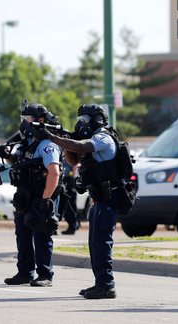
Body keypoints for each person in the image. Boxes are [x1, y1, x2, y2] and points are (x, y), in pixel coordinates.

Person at [36, 104, 120, 299]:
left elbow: (81, 147)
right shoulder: (92, 138)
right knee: (94, 243)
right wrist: (66, 140)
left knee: (102, 243)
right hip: (98, 198)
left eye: (84, 120)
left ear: (96, 119)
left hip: (109, 198)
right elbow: (74, 160)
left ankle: (107, 286)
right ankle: (101, 283)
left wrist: (52, 137)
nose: (80, 124)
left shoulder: (103, 137)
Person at [2, 102, 61, 287]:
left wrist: (46, 199)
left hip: (42, 194)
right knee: (22, 233)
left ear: (40, 120)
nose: (23, 123)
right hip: (25, 195)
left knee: (41, 233)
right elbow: (17, 164)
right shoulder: (26, 144)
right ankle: (25, 272)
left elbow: (54, 172)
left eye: (27, 119)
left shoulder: (47, 144)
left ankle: (45, 274)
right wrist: (6, 155)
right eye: (23, 119)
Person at [60, 158, 80, 235]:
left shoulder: (71, 150)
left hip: (70, 180)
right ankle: (72, 225)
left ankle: (73, 226)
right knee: (65, 205)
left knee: (70, 205)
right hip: (65, 180)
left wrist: (73, 177)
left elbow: (76, 165)